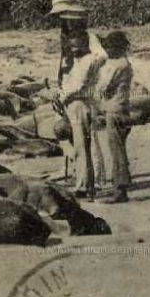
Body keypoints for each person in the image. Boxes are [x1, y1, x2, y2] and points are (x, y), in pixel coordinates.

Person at [59, 34, 106, 199]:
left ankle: (86, 185)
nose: (73, 50)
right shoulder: (81, 61)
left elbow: (78, 86)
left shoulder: (88, 61)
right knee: (83, 146)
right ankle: (85, 182)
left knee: (82, 147)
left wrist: (63, 97)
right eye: (72, 46)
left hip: (79, 103)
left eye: (76, 46)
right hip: (79, 104)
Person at [94, 31, 133, 203]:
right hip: (122, 108)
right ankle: (121, 185)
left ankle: (120, 189)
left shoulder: (117, 66)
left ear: (116, 48)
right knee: (119, 148)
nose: (106, 50)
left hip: (114, 110)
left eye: (109, 47)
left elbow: (103, 87)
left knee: (117, 151)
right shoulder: (124, 63)